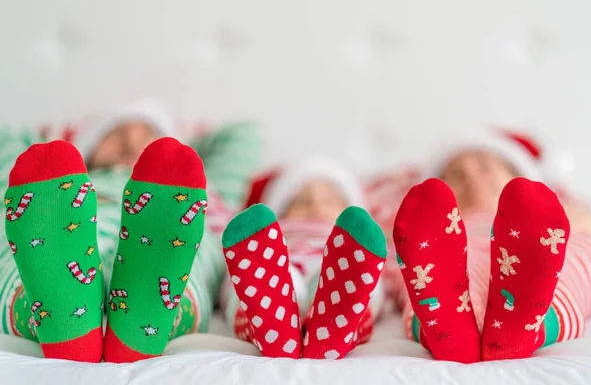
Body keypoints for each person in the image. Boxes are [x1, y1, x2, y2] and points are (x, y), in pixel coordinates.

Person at [0, 99, 261, 362]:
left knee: (187, 267)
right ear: (88, 148)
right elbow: (6, 136)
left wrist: (177, 145)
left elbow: (244, 134)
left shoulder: (198, 185)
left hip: (164, 228)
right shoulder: (51, 182)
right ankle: (101, 329)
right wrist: (65, 144)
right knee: (29, 259)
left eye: (148, 135)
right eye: (115, 134)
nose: (131, 143)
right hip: (66, 221)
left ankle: (69, 326)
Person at [392, 128, 591, 363]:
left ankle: (525, 327)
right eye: (457, 175)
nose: (472, 178)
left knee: (577, 257)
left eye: (485, 167)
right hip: (457, 241)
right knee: (428, 272)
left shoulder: (563, 211)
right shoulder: (435, 226)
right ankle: (456, 334)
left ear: (517, 175)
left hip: (540, 246)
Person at [220, 156, 387, 359]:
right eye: (302, 201)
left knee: (358, 287)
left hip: (335, 266)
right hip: (275, 262)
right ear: (281, 211)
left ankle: (320, 328)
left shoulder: (352, 240)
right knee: (248, 282)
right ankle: (283, 326)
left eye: (330, 200)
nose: (316, 206)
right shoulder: (272, 233)